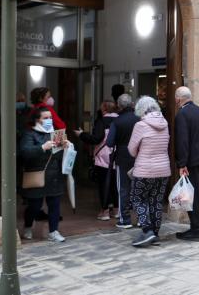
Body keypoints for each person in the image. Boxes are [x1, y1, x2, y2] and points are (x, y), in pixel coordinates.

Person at [127, 96, 172, 247]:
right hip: (163, 169)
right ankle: (155, 233)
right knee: (156, 201)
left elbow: (132, 150)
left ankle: (147, 230)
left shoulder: (141, 125)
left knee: (137, 198)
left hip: (145, 170)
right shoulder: (164, 124)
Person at [20, 107, 69, 242]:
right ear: (37, 119)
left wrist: (66, 147)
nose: (49, 120)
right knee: (34, 206)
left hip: (54, 176)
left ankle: (53, 231)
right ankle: (28, 226)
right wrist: (42, 147)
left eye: (50, 118)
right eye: (45, 118)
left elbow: (58, 156)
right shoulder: (29, 133)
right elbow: (24, 152)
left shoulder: (56, 133)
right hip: (37, 174)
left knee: (54, 205)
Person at [174, 86, 199, 241]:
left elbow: (182, 141)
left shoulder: (182, 115)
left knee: (191, 194)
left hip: (191, 160)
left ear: (178, 99)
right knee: (197, 192)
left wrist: (181, 163)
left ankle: (196, 229)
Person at [74, 99, 118, 221]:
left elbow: (96, 139)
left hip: (104, 158)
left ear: (104, 108)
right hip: (117, 157)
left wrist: (82, 135)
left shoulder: (102, 121)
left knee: (104, 184)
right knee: (115, 184)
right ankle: (116, 210)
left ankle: (104, 212)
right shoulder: (120, 119)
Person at [106, 94, 140, 229]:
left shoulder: (117, 122)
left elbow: (109, 142)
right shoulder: (139, 119)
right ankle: (141, 219)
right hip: (139, 157)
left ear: (119, 106)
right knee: (139, 187)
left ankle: (125, 219)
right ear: (132, 104)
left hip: (123, 158)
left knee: (124, 189)